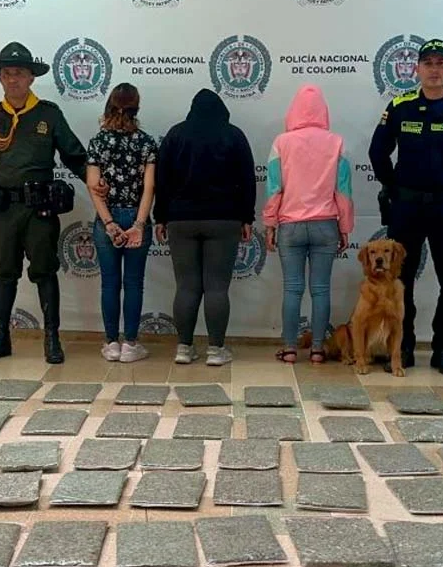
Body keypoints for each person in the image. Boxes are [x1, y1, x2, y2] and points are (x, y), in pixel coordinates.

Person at [0, 41, 107, 364]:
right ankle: (0, 338)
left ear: (32, 77)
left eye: (19, 73)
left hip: (38, 209)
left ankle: (52, 338)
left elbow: (75, 155)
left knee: (45, 271)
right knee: (4, 272)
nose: (12, 79)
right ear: (0, 78)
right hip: (2, 210)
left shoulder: (48, 114)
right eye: (6, 74)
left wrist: (96, 183)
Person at [368, 38, 443, 376]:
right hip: (408, 207)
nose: (434, 69)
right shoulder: (400, 106)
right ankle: (401, 347)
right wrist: (394, 187)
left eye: (441, 63)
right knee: (399, 282)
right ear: (416, 69)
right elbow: (378, 152)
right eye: (428, 63)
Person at [153, 88, 256, 366]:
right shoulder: (234, 134)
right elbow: (247, 180)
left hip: (180, 220)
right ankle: (216, 350)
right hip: (224, 219)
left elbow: (161, 181)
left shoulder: (175, 134)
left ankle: (184, 349)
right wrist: (247, 218)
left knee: (186, 286)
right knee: (216, 288)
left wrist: (160, 217)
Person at [263, 84, 353, 364]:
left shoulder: (281, 143)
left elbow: (274, 188)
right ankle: (316, 349)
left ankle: (290, 348)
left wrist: (270, 224)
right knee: (321, 289)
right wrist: (345, 227)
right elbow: (343, 191)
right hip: (326, 225)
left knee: (292, 288)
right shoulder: (337, 142)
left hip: (290, 226)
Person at [86, 83, 156, 363]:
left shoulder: (97, 142)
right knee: (134, 283)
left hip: (107, 219)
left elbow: (93, 187)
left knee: (109, 284)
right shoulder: (147, 142)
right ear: (137, 107)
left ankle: (111, 343)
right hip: (136, 216)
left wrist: (110, 224)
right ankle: (130, 344)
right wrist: (138, 224)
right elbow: (150, 188)